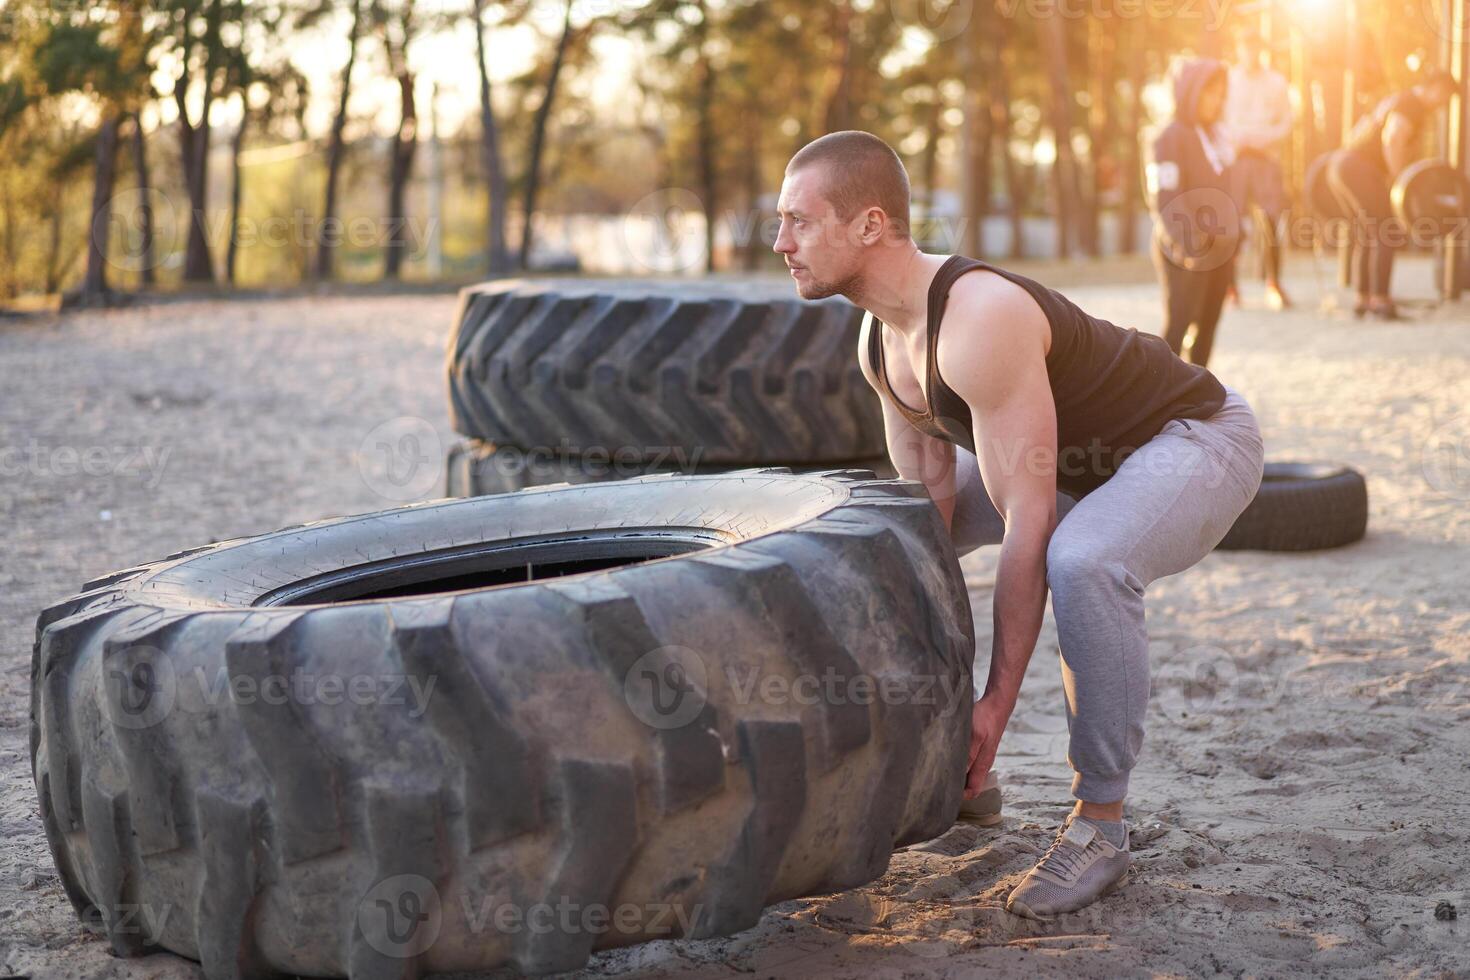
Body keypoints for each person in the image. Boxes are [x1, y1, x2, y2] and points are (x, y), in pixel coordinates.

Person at [773, 130, 1266, 919]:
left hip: (1196, 440)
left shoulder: (980, 318)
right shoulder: (881, 344)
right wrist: (950, 721)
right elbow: (927, 531)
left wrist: (994, 708)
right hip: (1078, 465)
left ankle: (1100, 824)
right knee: (888, 531)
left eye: (799, 220)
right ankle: (963, 779)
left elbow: (1028, 525)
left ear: (870, 225)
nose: (781, 242)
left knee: (1083, 561)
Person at [1327, 67, 1458, 320]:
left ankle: (1363, 297)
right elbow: (1393, 137)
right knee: (1388, 228)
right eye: (1445, 98)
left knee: (1369, 230)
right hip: (1357, 167)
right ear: (1438, 88)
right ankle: (1380, 300)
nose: (1442, 105)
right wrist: (1400, 181)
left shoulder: (1398, 99)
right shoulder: (1413, 104)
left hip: (1341, 164)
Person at [1147, 58, 1242, 368]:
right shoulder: (1169, 137)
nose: (1217, 100)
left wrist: (1235, 233)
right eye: (1210, 92)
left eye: (1220, 93)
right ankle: (1161, 395)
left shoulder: (1218, 138)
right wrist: (1189, 242)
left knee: (1209, 324)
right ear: (1191, 91)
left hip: (1220, 249)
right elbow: (1165, 195)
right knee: (1180, 323)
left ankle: (1198, 387)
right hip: (1184, 248)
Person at [1224, 30, 1295, 310]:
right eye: (1246, 47)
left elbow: (1287, 121)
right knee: (1231, 224)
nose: (1251, 53)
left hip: (1266, 158)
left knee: (1271, 222)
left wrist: (1267, 138)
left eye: (1255, 47)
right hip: (1236, 159)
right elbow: (1218, 119)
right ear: (1239, 48)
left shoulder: (1277, 82)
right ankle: (1230, 287)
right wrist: (1236, 139)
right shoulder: (1228, 80)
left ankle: (1273, 283)